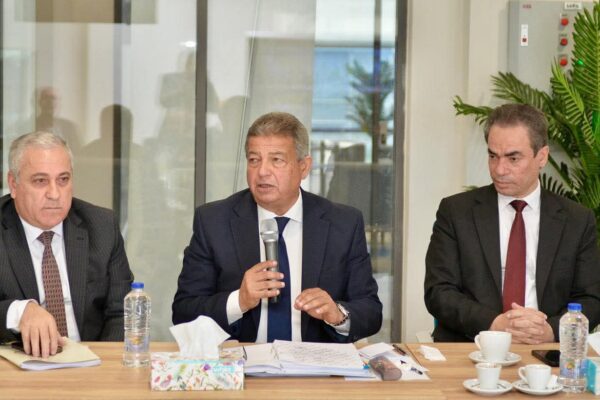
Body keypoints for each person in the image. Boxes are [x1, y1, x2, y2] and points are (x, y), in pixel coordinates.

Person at [172, 111, 382, 343]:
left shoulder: (343, 223)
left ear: (304, 167)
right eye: (254, 160)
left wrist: (337, 314)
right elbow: (183, 312)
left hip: (313, 361)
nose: (262, 171)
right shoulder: (214, 221)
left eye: (277, 160)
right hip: (244, 360)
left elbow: (371, 311)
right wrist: (239, 301)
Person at [424, 103, 600, 343]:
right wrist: (495, 324)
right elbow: (438, 292)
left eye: (513, 158)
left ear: (542, 157)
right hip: (472, 346)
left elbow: (591, 298)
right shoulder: (456, 212)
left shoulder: (576, 220)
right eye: (492, 156)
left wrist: (551, 330)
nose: (499, 169)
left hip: (545, 349)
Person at [0, 131, 134, 357]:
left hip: (92, 363)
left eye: (63, 180)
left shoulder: (101, 226)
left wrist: (99, 364)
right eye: (40, 181)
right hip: (20, 365)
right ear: (13, 184)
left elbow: (122, 312)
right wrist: (18, 312)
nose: (54, 194)